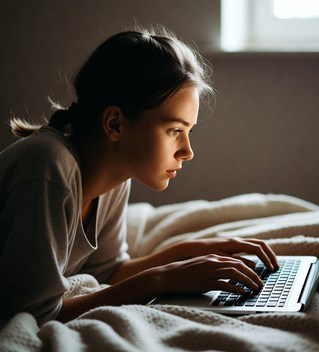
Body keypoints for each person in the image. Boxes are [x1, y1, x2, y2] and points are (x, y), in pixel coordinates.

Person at [0, 27, 279, 326]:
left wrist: (191, 254)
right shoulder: (47, 167)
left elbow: (106, 272)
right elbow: (36, 315)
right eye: (174, 131)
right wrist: (160, 279)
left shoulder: (114, 174)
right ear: (115, 124)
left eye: (188, 132)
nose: (187, 151)